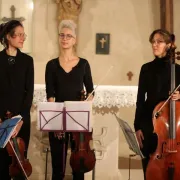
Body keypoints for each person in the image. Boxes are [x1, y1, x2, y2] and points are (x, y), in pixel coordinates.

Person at [45, 20, 94, 180]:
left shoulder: (84, 64)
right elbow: (50, 95)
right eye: (62, 35)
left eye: (69, 36)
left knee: (78, 166)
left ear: (75, 40)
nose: (65, 39)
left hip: (77, 120)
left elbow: (91, 91)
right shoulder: (51, 65)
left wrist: (87, 101)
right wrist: (54, 122)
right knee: (57, 166)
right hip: (58, 118)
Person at [134, 29, 180, 180]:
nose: (155, 45)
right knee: (149, 165)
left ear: (168, 45)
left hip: (171, 125)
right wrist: (137, 126)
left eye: (159, 41)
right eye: (153, 42)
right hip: (149, 123)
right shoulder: (146, 68)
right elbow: (140, 99)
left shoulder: (178, 70)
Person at [0, 20, 34, 180]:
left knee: (19, 165)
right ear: (8, 36)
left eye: (23, 34)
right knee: (2, 165)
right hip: (1, 120)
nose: (23, 38)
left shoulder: (28, 61)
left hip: (21, 121)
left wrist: (20, 120)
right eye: (19, 35)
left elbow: (29, 94)